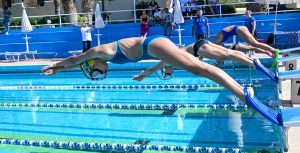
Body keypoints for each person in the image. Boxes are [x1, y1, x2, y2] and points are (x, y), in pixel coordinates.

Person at [42, 35, 282, 125]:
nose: (100, 74)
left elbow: (75, 58)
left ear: (91, 63)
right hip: (155, 49)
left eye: (95, 72)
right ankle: (244, 92)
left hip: (154, 44)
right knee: (199, 69)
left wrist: (56, 67)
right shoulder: (109, 59)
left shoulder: (100, 51)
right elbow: (157, 62)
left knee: (201, 70)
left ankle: (244, 93)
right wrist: (145, 74)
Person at [213, 25, 279, 66]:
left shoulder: (216, 41)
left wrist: (218, 63)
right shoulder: (218, 41)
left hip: (238, 30)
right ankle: (272, 51)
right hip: (239, 29)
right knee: (254, 43)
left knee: (254, 44)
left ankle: (274, 51)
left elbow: (220, 53)